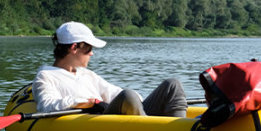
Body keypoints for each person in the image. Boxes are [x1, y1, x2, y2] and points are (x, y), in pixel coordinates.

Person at [33, 21, 187, 118]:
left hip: (111, 117)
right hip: (95, 126)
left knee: (172, 85)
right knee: (128, 95)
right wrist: (87, 102)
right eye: (89, 48)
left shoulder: (88, 75)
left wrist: (150, 101)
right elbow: (47, 106)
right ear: (74, 47)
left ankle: (179, 130)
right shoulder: (46, 76)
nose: (92, 53)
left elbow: (114, 93)